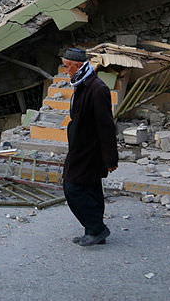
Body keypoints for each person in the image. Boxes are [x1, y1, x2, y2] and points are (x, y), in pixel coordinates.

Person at [61, 47, 118, 247]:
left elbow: (106, 126)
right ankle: (93, 230)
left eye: (67, 66)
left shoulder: (97, 89)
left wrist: (110, 158)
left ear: (78, 66)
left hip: (89, 149)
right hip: (81, 145)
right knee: (90, 188)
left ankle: (97, 229)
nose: (65, 70)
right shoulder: (83, 84)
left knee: (72, 187)